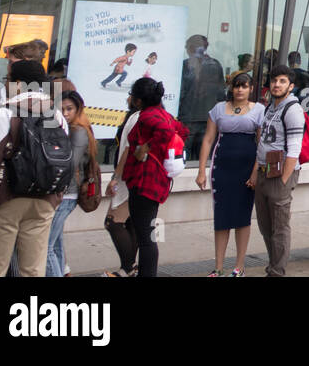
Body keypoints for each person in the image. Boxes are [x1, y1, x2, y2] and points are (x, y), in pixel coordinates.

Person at [0, 62, 70, 277]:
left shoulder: (5, 114)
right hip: (44, 202)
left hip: (5, 200)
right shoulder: (56, 115)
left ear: (18, 83)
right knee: (32, 270)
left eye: (8, 79)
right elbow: (64, 159)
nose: (6, 84)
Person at [120, 76, 190, 277]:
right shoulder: (163, 114)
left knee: (146, 237)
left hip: (145, 180)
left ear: (139, 100)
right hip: (155, 180)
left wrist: (146, 148)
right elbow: (182, 131)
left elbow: (167, 132)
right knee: (147, 233)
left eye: (132, 95)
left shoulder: (148, 116)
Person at [196, 71, 263, 276]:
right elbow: (208, 140)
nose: (240, 90)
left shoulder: (259, 110)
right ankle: (218, 267)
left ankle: (239, 266)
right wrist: (201, 171)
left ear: (251, 89)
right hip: (222, 167)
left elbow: (261, 144)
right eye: (236, 86)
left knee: (243, 217)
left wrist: (255, 173)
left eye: (244, 86)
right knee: (222, 217)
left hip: (246, 168)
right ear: (231, 88)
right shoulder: (218, 109)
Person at [252, 64, 307, 277]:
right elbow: (262, 143)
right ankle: (273, 264)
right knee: (266, 226)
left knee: (280, 227)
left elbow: (294, 148)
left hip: (280, 175)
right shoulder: (270, 107)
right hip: (264, 172)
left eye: (282, 81)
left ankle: (277, 271)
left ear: (291, 86)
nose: (277, 84)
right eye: (274, 80)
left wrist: (284, 180)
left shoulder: (292, 109)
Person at [45, 90, 96, 277]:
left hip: (66, 194)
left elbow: (68, 164)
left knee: (46, 247)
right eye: (61, 108)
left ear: (78, 109)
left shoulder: (78, 131)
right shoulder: (68, 128)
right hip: (64, 193)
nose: (65, 113)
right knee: (56, 245)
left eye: (70, 109)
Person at [103, 93, 141, 277]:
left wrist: (115, 178)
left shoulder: (136, 118)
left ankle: (128, 267)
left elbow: (127, 150)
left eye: (130, 94)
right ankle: (129, 268)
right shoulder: (141, 116)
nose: (127, 98)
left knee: (113, 222)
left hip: (127, 179)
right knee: (130, 222)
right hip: (135, 178)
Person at [179, 34, 224, 160]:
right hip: (209, 118)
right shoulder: (215, 65)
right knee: (203, 155)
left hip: (188, 117)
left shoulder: (186, 65)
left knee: (183, 155)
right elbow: (221, 94)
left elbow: (181, 92)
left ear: (192, 48)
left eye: (187, 47)